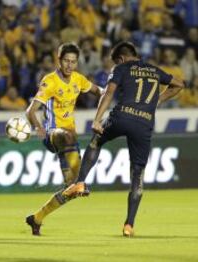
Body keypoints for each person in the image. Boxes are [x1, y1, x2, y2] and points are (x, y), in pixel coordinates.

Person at [63, 42, 184, 237]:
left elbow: (109, 92)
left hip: (123, 115)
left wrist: (96, 119)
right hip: (144, 123)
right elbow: (179, 84)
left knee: (97, 141)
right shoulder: (154, 70)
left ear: (120, 59)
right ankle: (129, 225)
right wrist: (157, 100)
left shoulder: (121, 68)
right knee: (137, 173)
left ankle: (81, 181)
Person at [25, 42, 102, 236]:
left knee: (74, 188)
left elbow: (99, 91)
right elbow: (30, 110)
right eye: (66, 61)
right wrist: (39, 128)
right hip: (53, 134)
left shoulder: (78, 79)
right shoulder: (49, 81)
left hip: (70, 140)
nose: (69, 65)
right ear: (58, 61)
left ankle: (37, 218)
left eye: (73, 62)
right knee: (65, 135)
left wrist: (114, 88)